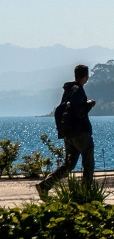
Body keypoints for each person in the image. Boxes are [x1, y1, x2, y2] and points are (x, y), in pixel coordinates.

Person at [36, 64, 96, 196]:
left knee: (68, 165)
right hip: (80, 133)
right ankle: (86, 193)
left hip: (68, 134)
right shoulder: (79, 90)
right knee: (88, 163)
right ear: (86, 77)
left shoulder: (68, 90)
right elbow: (79, 112)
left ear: (75, 75)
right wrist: (89, 105)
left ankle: (45, 185)